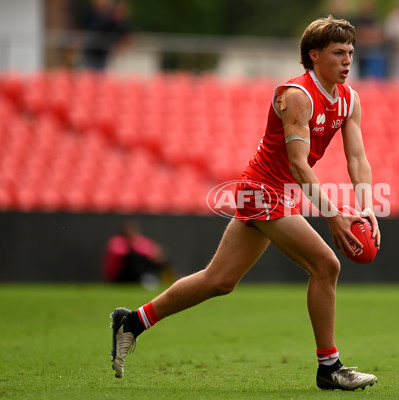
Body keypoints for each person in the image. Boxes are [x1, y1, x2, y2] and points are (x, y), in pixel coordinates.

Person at [109, 16, 381, 391]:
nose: (347, 60)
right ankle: (329, 367)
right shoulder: (296, 96)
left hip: (278, 193)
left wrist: (366, 206)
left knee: (219, 281)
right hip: (263, 189)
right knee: (326, 265)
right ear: (314, 56)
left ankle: (133, 321)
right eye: (338, 53)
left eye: (350, 52)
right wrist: (333, 215)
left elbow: (357, 158)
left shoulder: (349, 98)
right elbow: (300, 165)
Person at [102, 220, 171, 286]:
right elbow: (121, 253)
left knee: (158, 259)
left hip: (136, 272)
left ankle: (167, 279)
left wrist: (155, 255)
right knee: (133, 258)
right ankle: (145, 279)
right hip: (119, 274)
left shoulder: (139, 240)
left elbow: (153, 250)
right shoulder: (117, 241)